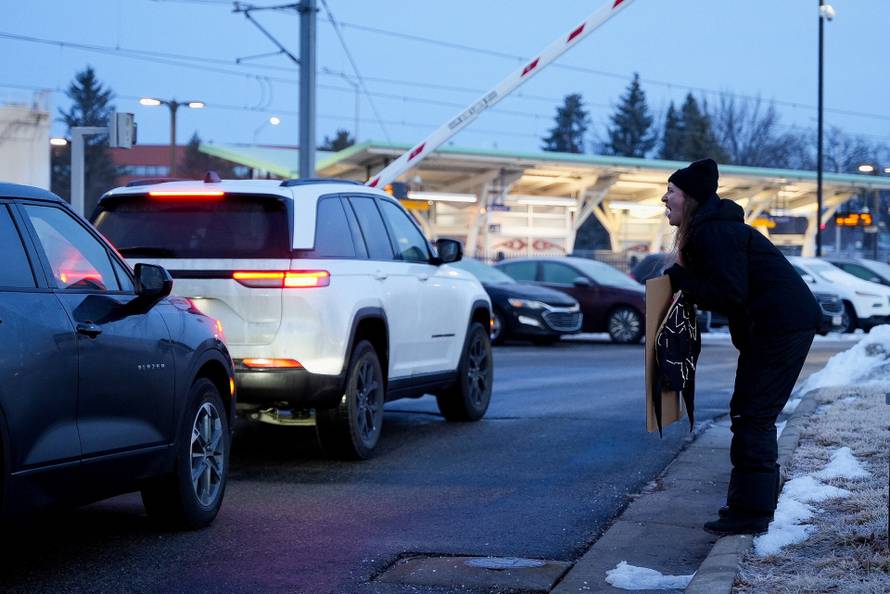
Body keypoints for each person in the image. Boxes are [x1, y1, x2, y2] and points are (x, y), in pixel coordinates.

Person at [660, 158, 821, 535]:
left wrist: (683, 279)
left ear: (691, 198)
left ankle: (752, 513)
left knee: (753, 416)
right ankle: (747, 505)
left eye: (671, 191)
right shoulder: (714, 230)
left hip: (781, 326)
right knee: (748, 413)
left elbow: (730, 293)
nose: (664, 198)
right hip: (775, 327)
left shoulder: (713, 233)